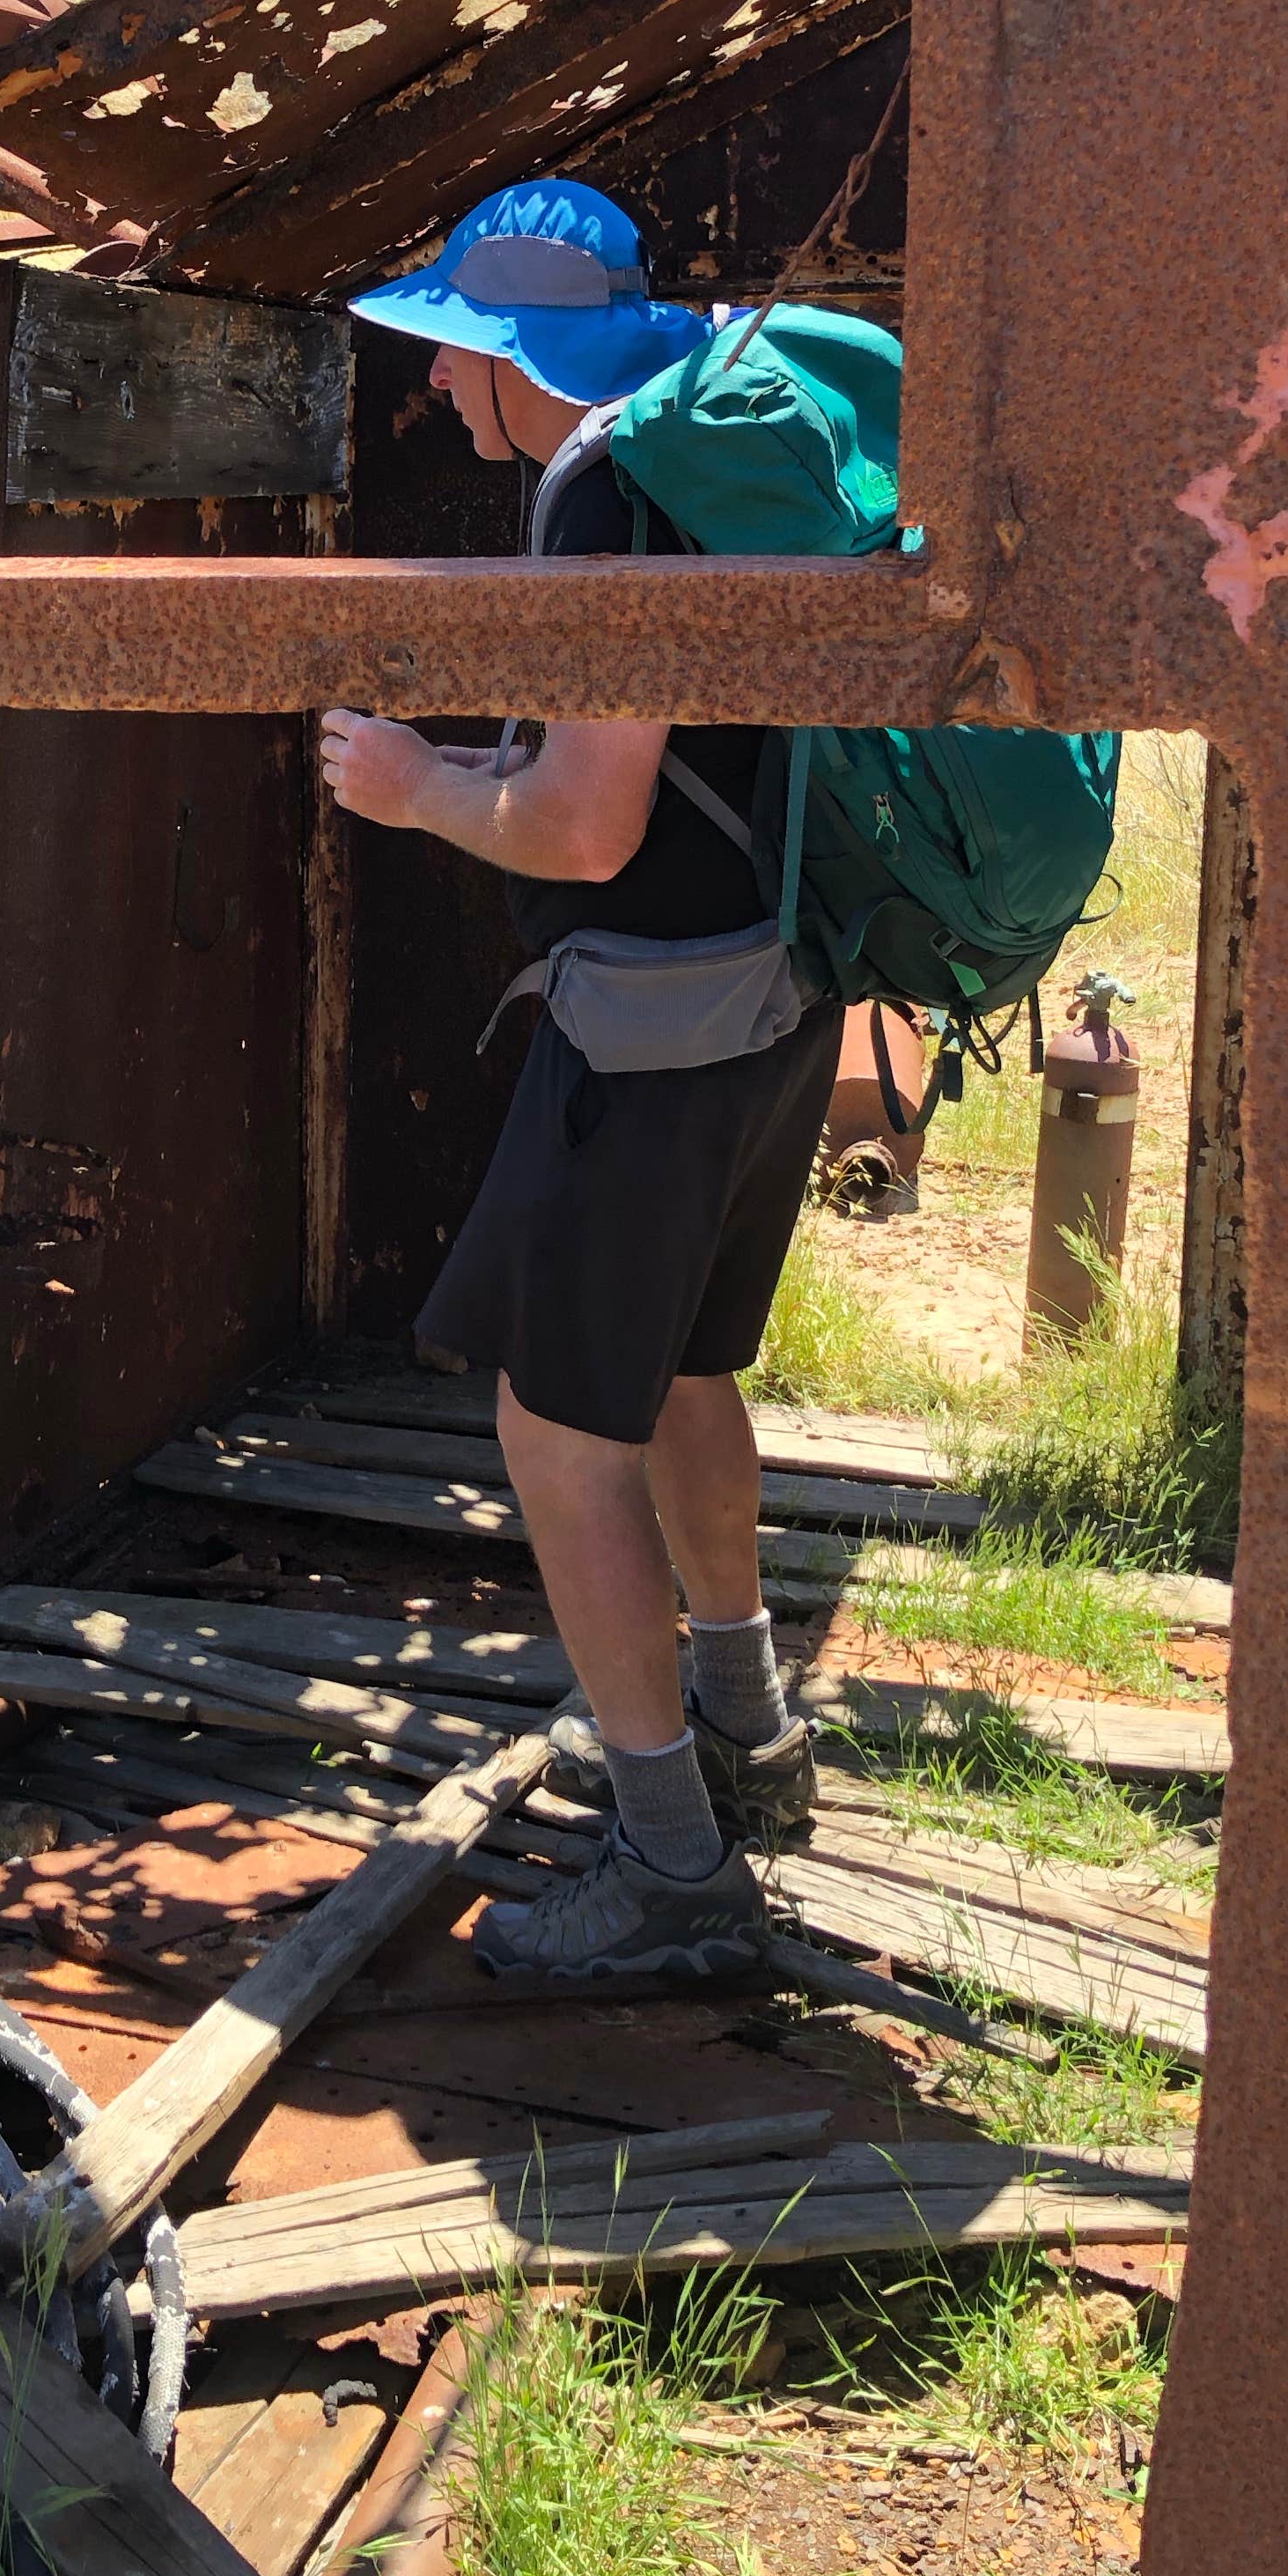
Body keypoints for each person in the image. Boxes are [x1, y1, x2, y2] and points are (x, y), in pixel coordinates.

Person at [320, 179, 842, 1989]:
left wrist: (416, 789)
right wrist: (505, 762)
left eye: (461, 355)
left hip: (657, 1026)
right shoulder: (701, 453)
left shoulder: (595, 483)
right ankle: (748, 1730)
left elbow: (585, 826)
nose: (447, 394)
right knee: (683, 1374)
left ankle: (677, 1866)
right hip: (776, 990)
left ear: (514, 360)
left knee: (557, 1435)